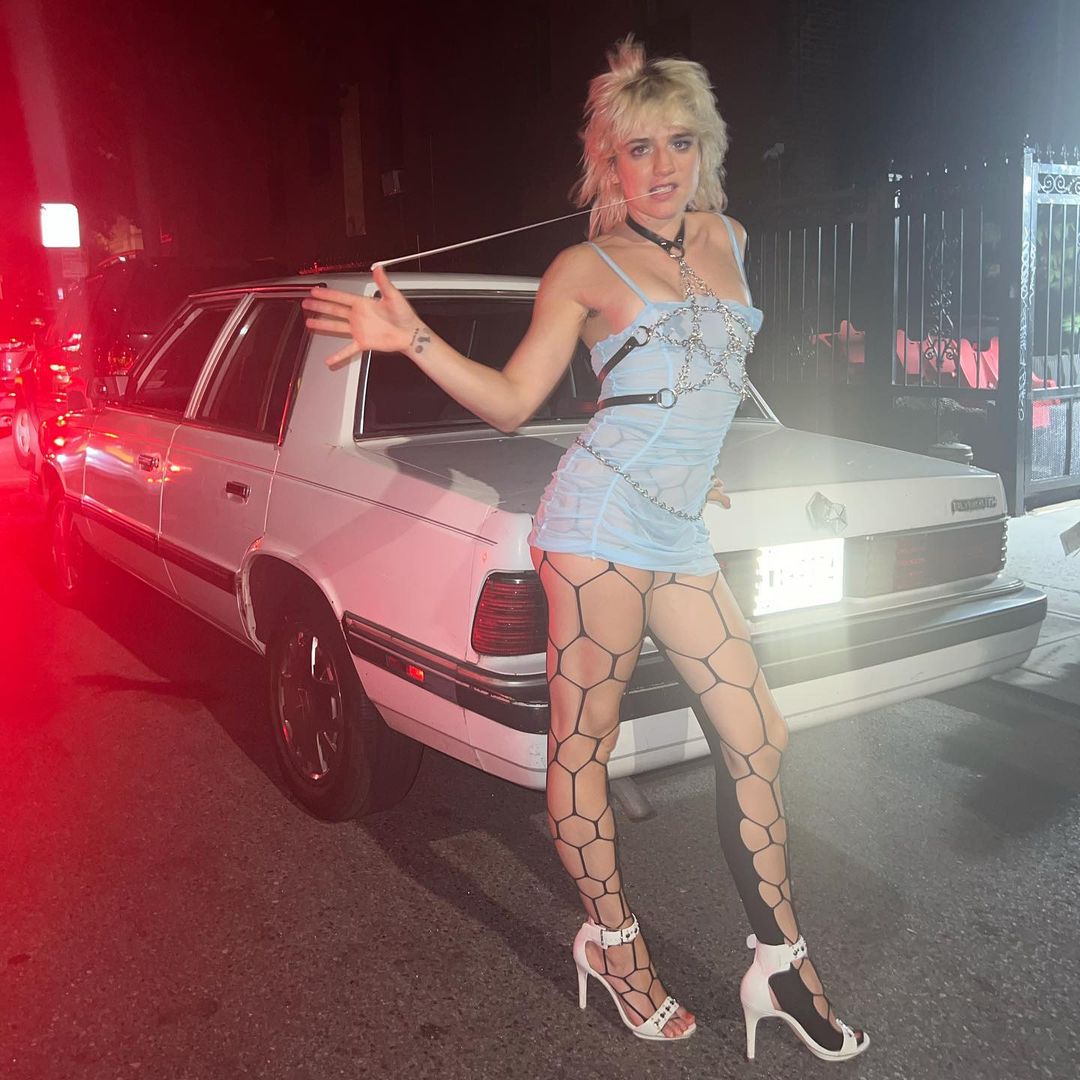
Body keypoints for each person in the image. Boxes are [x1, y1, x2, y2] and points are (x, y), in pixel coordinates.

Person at [303, 37, 868, 1063]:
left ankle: (780, 963)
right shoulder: (585, 267)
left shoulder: (730, 236)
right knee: (585, 748)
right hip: (597, 524)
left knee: (760, 735)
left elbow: (706, 372)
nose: (662, 166)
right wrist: (411, 338)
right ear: (607, 162)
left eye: (679, 143)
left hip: (676, 527)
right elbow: (515, 402)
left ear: (707, 147)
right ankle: (614, 946)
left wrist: (695, 465)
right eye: (637, 149)